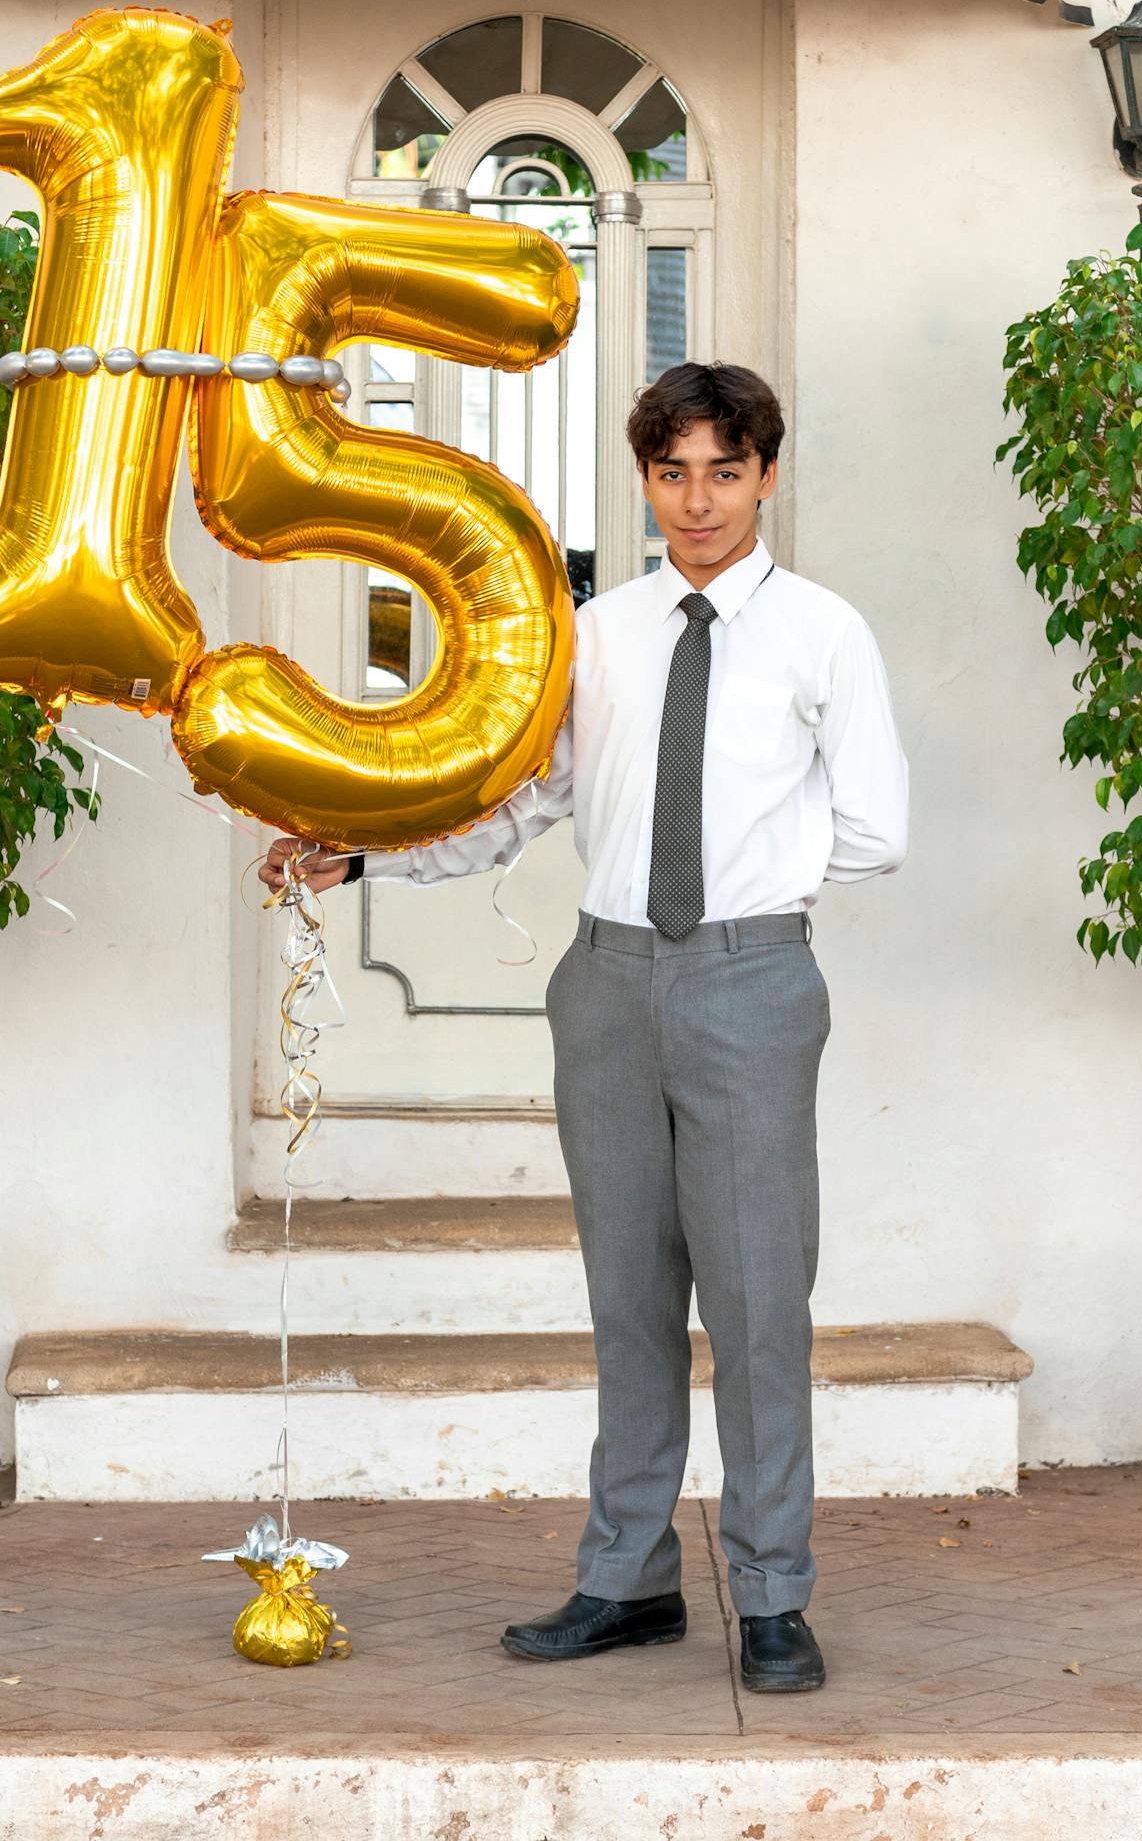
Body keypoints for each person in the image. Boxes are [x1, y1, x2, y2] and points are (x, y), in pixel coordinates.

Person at [258, 361, 909, 1694]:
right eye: (673, 471)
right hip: (605, 990)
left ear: (767, 476)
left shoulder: (822, 635)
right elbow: (518, 808)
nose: (699, 500)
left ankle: (773, 1595)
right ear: (646, 477)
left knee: (756, 1303)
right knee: (627, 1303)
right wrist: (362, 856)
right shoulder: (598, 631)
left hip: (748, 985)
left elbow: (877, 828)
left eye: (726, 470)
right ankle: (627, 1579)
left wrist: (756, 891)